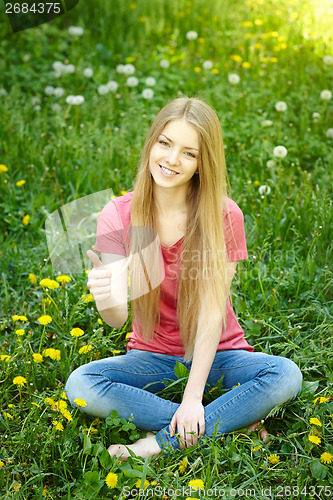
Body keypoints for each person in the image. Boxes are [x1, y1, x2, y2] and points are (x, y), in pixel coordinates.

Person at [65, 96, 302, 461]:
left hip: (220, 353)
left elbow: (211, 314)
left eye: (188, 153)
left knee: (285, 375)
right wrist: (105, 294)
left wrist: (193, 398)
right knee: (81, 384)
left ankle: (159, 443)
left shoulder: (222, 215)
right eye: (165, 143)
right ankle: (231, 420)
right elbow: (117, 320)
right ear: (151, 143)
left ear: (202, 164)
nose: (172, 159)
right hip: (152, 355)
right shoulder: (120, 214)